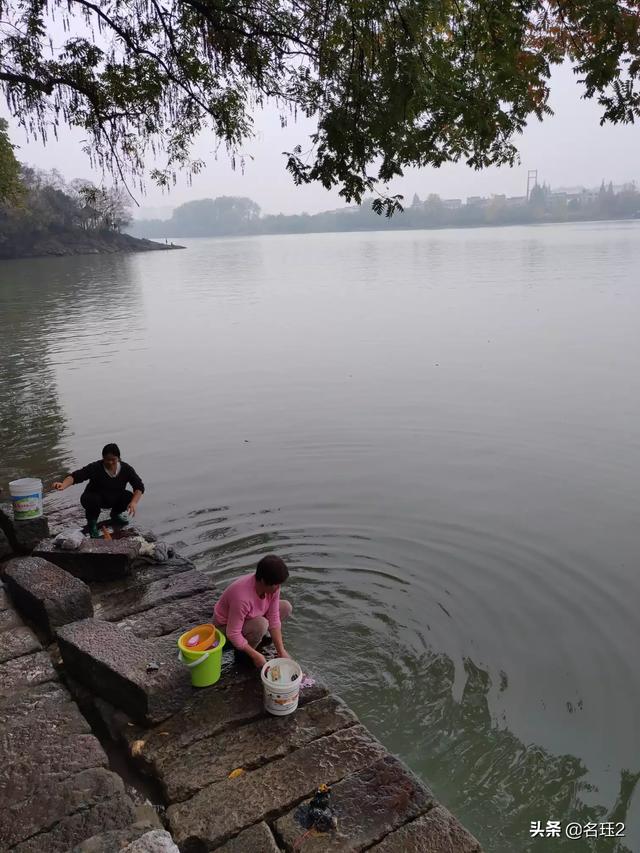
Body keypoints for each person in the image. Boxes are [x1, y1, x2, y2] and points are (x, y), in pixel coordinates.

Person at [214, 555, 293, 669]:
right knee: (261, 625)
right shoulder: (241, 597)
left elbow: (274, 618)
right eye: (275, 584)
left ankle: (257, 638)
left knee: (285, 607)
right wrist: (255, 655)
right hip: (224, 630)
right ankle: (244, 654)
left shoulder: (273, 588)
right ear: (263, 580)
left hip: (249, 618)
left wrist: (281, 651)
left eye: (279, 584)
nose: (278, 588)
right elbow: (233, 633)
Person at [53, 443, 145, 538]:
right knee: (92, 499)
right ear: (103, 458)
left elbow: (139, 486)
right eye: (107, 460)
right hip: (95, 498)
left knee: (129, 496)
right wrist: (63, 485)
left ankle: (115, 514)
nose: (110, 462)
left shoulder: (126, 469)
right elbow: (76, 476)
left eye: (113, 459)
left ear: (118, 458)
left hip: (114, 498)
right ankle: (92, 524)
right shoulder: (95, 467)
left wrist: (134, 502)